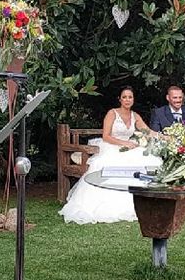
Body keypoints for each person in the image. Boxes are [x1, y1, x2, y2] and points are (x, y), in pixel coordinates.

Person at [58, 86, 161, 224]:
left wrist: (163, 137)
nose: (127, 100)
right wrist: (123, 143)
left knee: (147, 160)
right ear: (120, 99)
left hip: (129, 146)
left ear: (133, 99)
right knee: (108, 163)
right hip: (112, 145)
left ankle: (142, 202)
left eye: (130, 97)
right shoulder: (112, 113)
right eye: (124, 97)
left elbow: (147, 131)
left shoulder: (135, 116)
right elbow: (106, 136)